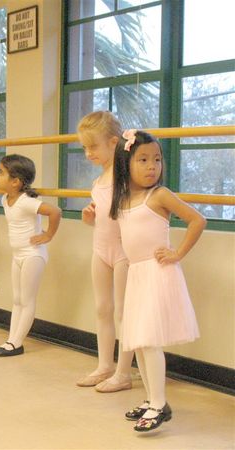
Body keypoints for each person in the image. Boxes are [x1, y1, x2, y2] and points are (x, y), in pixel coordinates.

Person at [111, 130, 205, 432]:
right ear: (125, 164)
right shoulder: (124, 199)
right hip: (137, 274)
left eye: (157, 159)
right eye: (143, 160)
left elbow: (197, 220)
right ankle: (151, 397)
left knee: (149, 340)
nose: (152, 166)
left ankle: (159, 404)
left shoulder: (159, 195)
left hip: (157, 272)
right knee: (138, 339)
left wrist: (178, 253)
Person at [76, 111, 134, 392]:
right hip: (100, 250)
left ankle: (124, 372)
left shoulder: (128, 177)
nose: (88, 153)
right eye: (84, 148)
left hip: (124, 252)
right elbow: (101, 219)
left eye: (93, 146)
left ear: (113, 143)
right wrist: (89, 218)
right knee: (102, 308)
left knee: (123, 311)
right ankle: (104, 365)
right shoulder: (98, 181)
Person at [0, 154, 61, 356]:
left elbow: (55, 212)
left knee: (27, 300)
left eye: (1, 172)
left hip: (33, 255)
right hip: (18, 256)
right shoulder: (5, 199)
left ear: (15, 182)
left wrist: (48, 235)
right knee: (17, 299)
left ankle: (17, 343)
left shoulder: (26, 202)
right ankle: (11, 339)